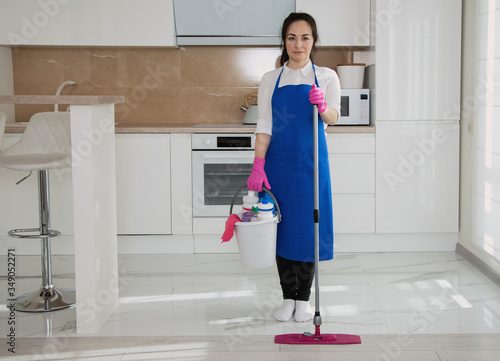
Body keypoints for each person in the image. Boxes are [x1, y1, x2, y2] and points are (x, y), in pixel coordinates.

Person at [247, 12, 340, 323]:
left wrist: (323, 106)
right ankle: (288, 297)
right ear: (283, 41)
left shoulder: (326, 77)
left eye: (305, 38)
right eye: (291, 38)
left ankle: (304, 298)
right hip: (278, 164)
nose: (298, 44)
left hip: (312, 165)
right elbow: (265, 125)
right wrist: (258, 164)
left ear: (313, 42)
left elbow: (334, 118)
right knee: (281, 230)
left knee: (309, 230)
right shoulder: (270, 80)